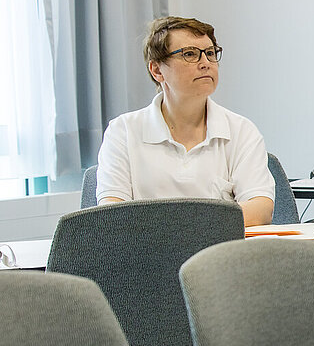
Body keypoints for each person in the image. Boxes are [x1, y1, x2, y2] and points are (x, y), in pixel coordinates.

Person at [96, 16, 275, 227]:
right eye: (189, 54)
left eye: (210, 53)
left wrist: (182, 229)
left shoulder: (241, 130)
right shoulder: (123, 131)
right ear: (157, 70)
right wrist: (195, 227)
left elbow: (261, 209)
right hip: (149, 256)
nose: (205, 63)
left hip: (220, 256)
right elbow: (111, 215)